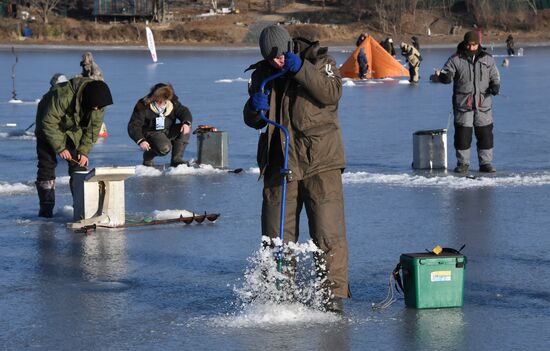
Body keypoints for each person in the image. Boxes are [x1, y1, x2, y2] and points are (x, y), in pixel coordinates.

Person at [243, 25, 349, 313]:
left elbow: (331, 93)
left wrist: (301, 68)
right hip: (280, 161)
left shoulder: (321, 62)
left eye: (279, 56)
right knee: (276, 236)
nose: (276, 62)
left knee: (328, 232)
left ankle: (332, 295)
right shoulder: (262, 74)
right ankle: (277, 292)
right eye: (270, 58)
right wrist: (254, 108)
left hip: (321, 161)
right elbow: (253, 119)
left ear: (288, 46)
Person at [35, 77, 113, 217]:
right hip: (47, 125)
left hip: (72, 130)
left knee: (79, 166)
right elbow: (48, 122)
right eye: (95, 106)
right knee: (46, 166)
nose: (97, 109)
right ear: (86, 97)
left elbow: (93, 129)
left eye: (99, 107)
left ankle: (81, 206)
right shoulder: (63, 96)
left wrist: (84, 151)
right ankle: (46, 209)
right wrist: (60, 148)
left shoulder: (99, 104)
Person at [433, 30, 500, 173]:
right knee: (463, 136)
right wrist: (444, 77)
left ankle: (485, 163)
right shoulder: (455, 59)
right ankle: (463, 163)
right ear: (465, 44)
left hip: (483, 105)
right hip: (463, 105)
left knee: (485, 136)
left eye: (474, 45)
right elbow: (447, 73)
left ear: (478, 44)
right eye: (468, 45)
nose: (471, 48)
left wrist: (495, 86)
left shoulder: (488, 59)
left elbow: (495, 75)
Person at [128, 83, 192, 167]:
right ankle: (148, 155)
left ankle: (176, 159)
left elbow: (184, 111)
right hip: (151, 133)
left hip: (168, 129)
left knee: (185, 129)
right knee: (165, 148)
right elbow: (134, 125)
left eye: (164, 101)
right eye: (159, 101)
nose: (162, 103)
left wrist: (186, 123)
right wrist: (140, 140)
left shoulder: (172, 102)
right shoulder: (142, 104)